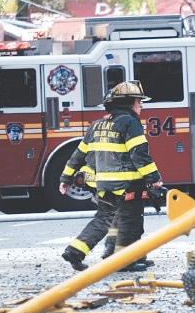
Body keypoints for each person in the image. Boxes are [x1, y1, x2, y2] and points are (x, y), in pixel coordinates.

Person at [59, 80, 163, 272]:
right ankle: (124, 260)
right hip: (127, 185)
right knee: (130, 223)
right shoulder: (130, 123)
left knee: (106, 219)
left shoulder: (96, 125)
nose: (141, 105)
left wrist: (66, 179)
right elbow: (138, 153)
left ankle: (77, 251)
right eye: (138, 101)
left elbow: (78, 155)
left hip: (103, 186)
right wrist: (154, 179)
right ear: (128, 103)